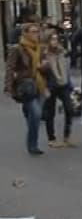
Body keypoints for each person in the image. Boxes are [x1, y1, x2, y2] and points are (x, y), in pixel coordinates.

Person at [4, 23, 48, 155]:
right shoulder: (18, 49)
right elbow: (10, 69)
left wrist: (45, 66)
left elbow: (45, 66)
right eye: (33, 32)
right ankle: (32, 145)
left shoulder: (40, 48)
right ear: (25, 33)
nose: (36, 35)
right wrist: (8, 87)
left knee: (34, 114)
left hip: (39, 84)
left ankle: (27, 113)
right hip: (26, 86)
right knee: (36, 113)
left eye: (37, 32)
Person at [42, 32, 74, 148]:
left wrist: (70, 84)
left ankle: (67, 136)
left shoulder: (62, 52)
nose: (54, 42)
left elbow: (67, 69)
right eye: (52, 39)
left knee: (69, 109)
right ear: (47, 41)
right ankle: (51, 138)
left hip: (63, 84)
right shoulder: (44, 54)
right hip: (51, 85)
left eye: (56, 39)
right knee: (50, 112)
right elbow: (40, 72)